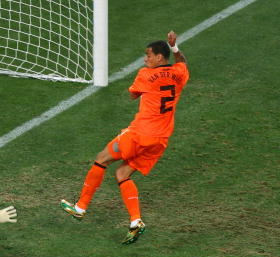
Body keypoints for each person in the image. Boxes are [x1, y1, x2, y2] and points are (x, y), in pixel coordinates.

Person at [61, 31, 189, 244]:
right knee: (122, 173)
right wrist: (175, 47)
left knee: (102, 158)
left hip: (140, 134)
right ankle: (135, 221)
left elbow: (132, 94)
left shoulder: (145, 74)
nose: (145, 59)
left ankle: (80, 207)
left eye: (148, 55)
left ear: (159, 57)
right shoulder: (179, 72)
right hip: (160, 140)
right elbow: (183, 62)